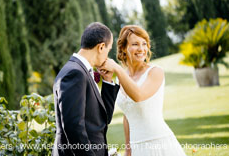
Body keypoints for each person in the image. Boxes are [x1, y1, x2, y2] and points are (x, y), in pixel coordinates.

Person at [99, 25, 186, 156]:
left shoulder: (155, 72)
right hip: (136, 147)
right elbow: (128, 115)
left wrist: (117, 69)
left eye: (144, 44)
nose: (141, 49)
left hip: (158, 143)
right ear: (123, 48)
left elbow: (138, 96)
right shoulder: (121, 78)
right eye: (135, 44)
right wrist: (128, 150)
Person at [52, 22, 120, 156]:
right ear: (101, 47)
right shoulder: (74, 73)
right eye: (108, 49)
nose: (108, 56)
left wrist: (107, 82)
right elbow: (74, 128)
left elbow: (101, 121)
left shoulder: (81, 71)